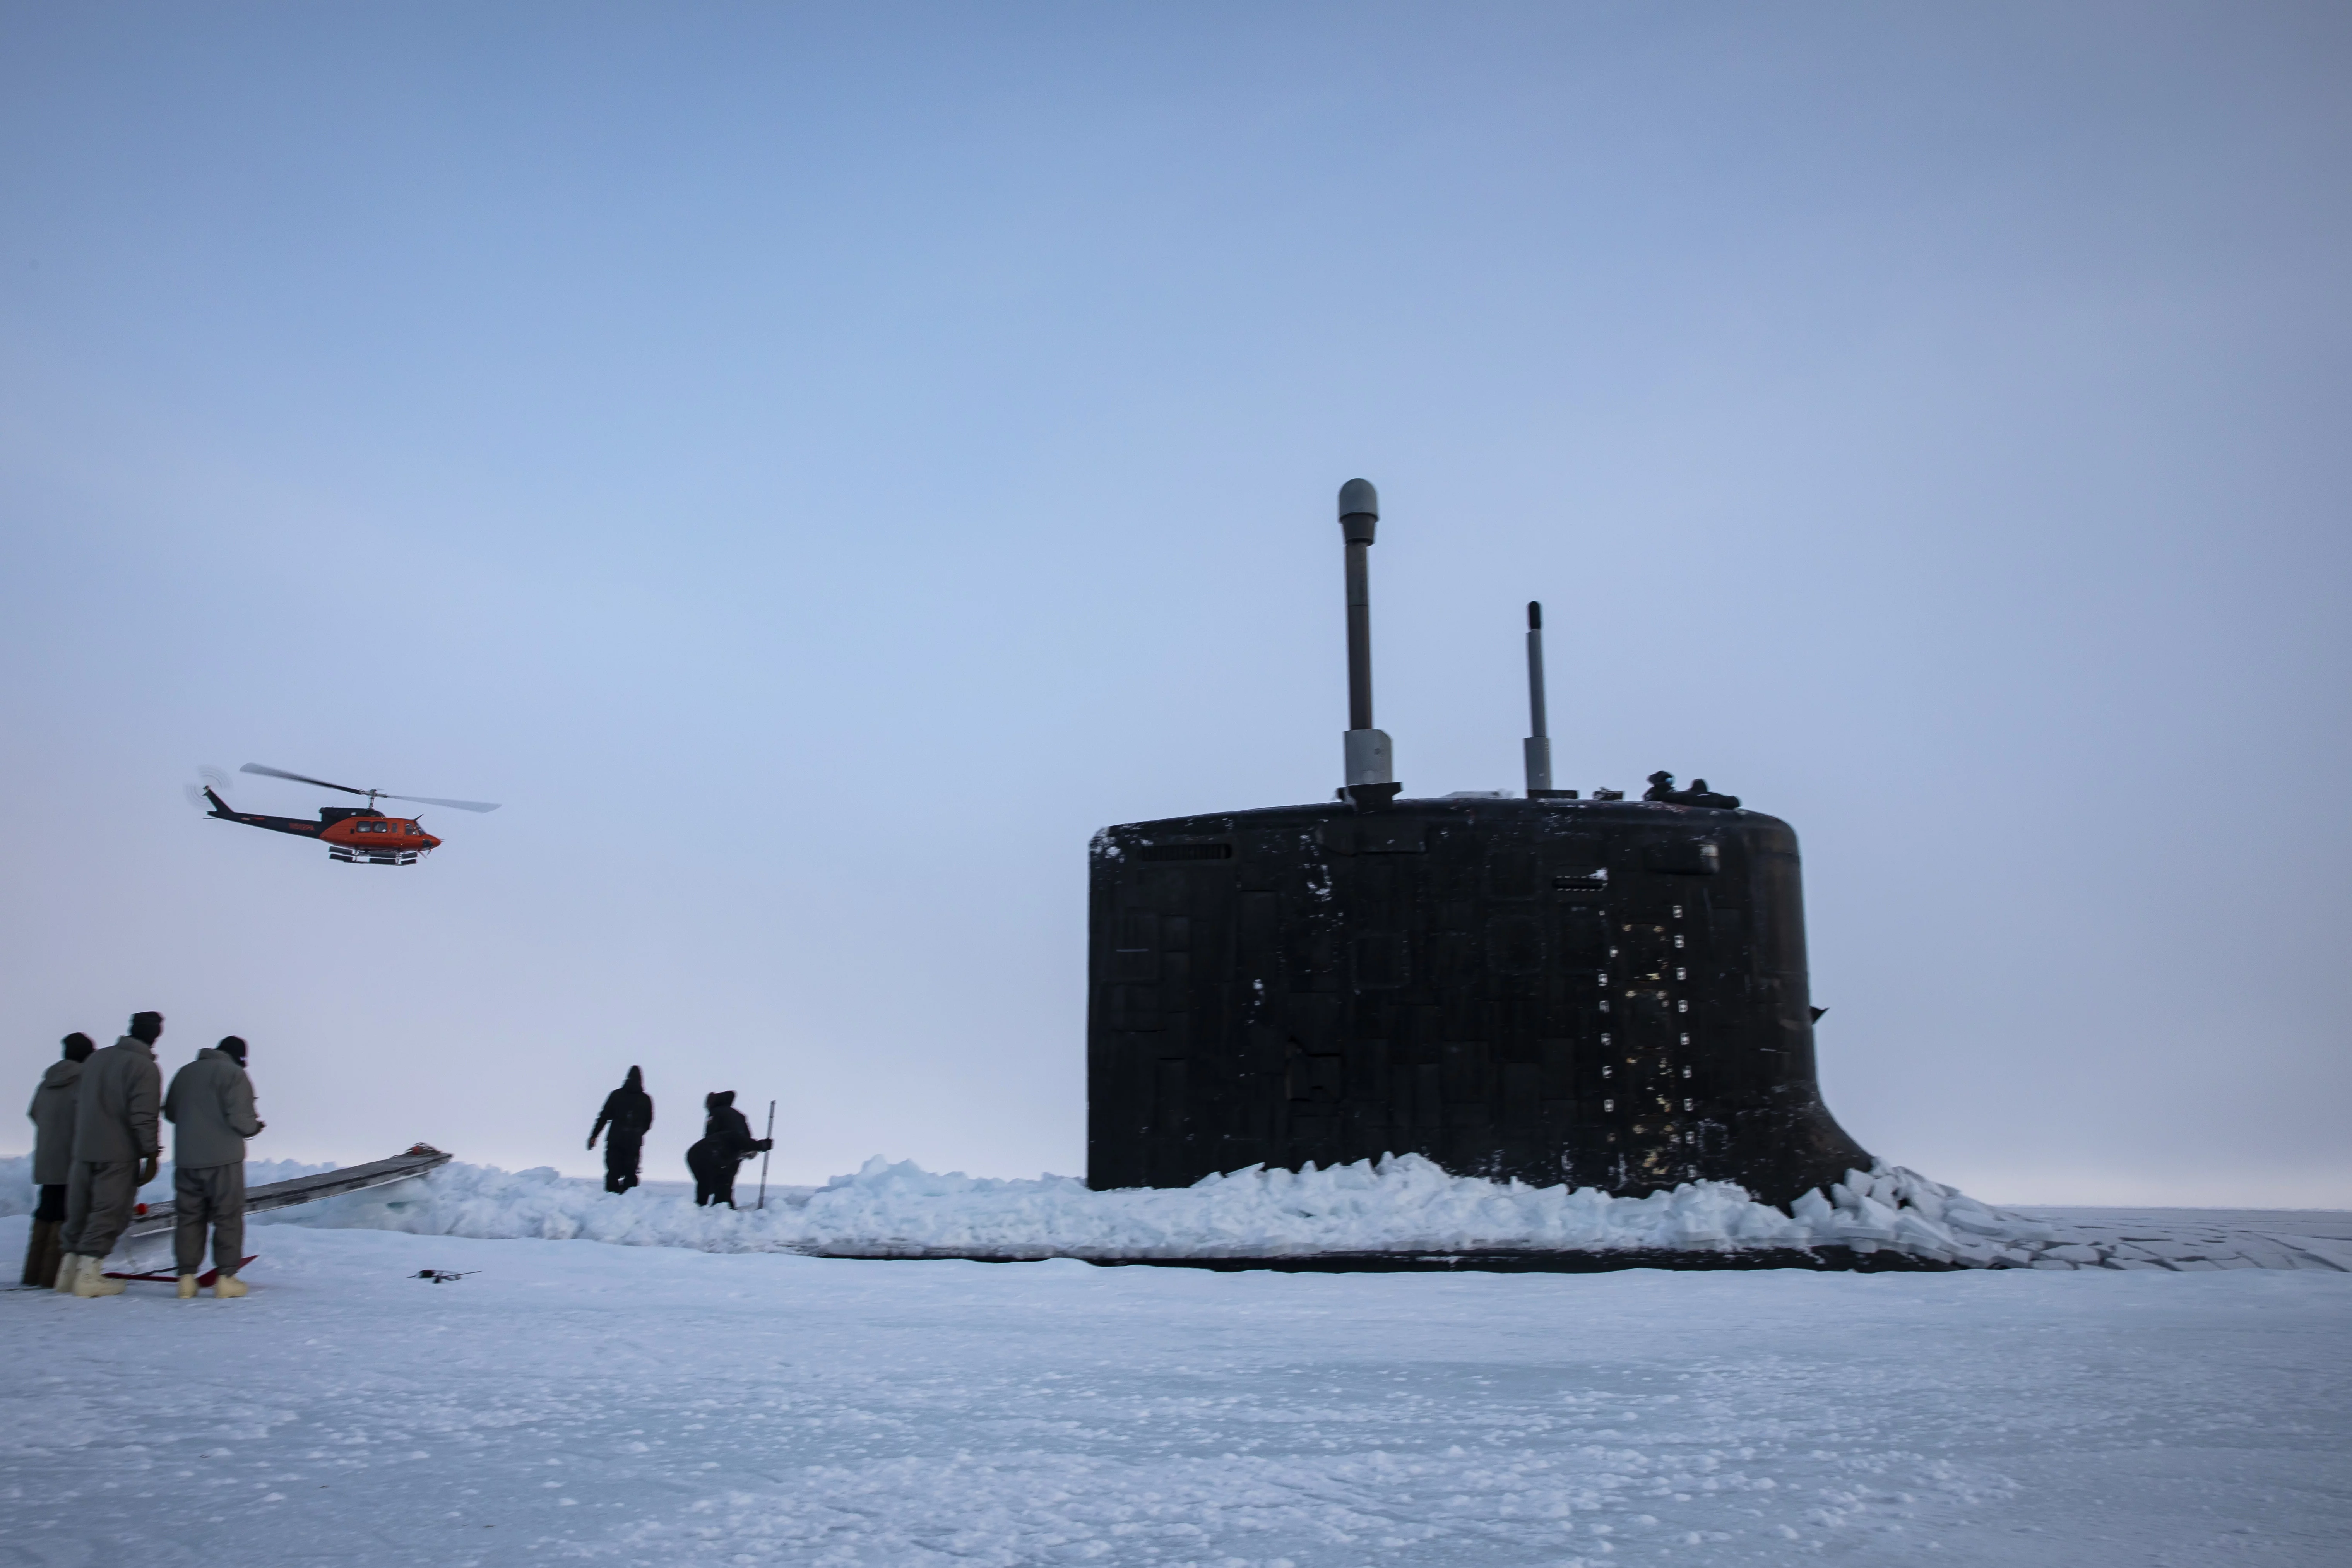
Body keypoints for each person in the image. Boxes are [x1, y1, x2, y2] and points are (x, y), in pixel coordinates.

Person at [56, 1011, 164, 1297]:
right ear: (155, 1035)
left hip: (84, 1149)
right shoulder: (144, 1068)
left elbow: (78, 1102)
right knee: (108, 1212)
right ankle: (89, 1277)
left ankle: (67, 1273)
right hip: (117, 1152)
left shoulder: (96, 1060)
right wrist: (151, 1155)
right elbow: (144, 1117)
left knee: (79, 1212)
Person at [163, 1034, 265, 1298]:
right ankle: (226, 1278)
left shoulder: (184, 1073)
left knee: (189, 1217)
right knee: (227, 1217)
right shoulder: (234, 1075)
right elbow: (241, 1119)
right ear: (239, 1058)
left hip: (187, 1159)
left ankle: (186, 1279)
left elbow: (172, 1113)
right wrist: (256, 1127)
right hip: (224, 1160)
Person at [21, 1033, 95, 1288]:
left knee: (45, 1213)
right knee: (65, 1215)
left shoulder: (46, 1082)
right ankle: (52, 1276)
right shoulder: (85, 1080)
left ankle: (32, 1273)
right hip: (72, 1158)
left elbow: (34, 1113)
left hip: (46, 1157)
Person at [684, 1090, 770, 1208]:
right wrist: (750, 1147)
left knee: (709, 1181)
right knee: (725, 1182)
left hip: (719, 1150)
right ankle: (723, 1209)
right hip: (733, 1150)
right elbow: (745, 1136)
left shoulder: (715, 1112)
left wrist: (759, 1146)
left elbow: (711, 1136)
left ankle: (705, 1208)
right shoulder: (739, 1115)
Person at [587, 1066, 654, 1194]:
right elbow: (649, 1123)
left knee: (613, 1172)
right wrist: (637, 1133)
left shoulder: (616, 1095)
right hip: (634, 1142)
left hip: (615, 1139)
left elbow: (603, 1117)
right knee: (631, 1172)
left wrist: (594, 1136)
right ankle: (627, 1203)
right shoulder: (646, 1099)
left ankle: (611, 1201)